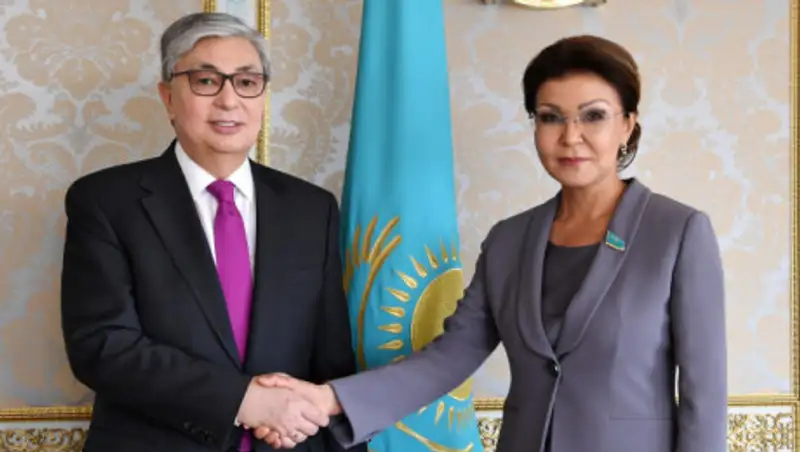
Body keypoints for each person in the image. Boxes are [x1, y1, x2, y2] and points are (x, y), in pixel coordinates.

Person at [253, 35, 729, 452]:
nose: (571, 137)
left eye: (594, 116)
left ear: (627, 124)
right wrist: (327, 399)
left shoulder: (678, 232)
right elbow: (450, 358)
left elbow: (703, 398)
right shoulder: (509, 240)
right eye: (551, 117)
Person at [60, 12, 365, 452]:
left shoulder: (312, 208)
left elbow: (331, 359)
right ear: (168, 97)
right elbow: (103, 345)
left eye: (247, 82)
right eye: (206, 81)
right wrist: (242, 400)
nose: (228, 100)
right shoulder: (105, 201)